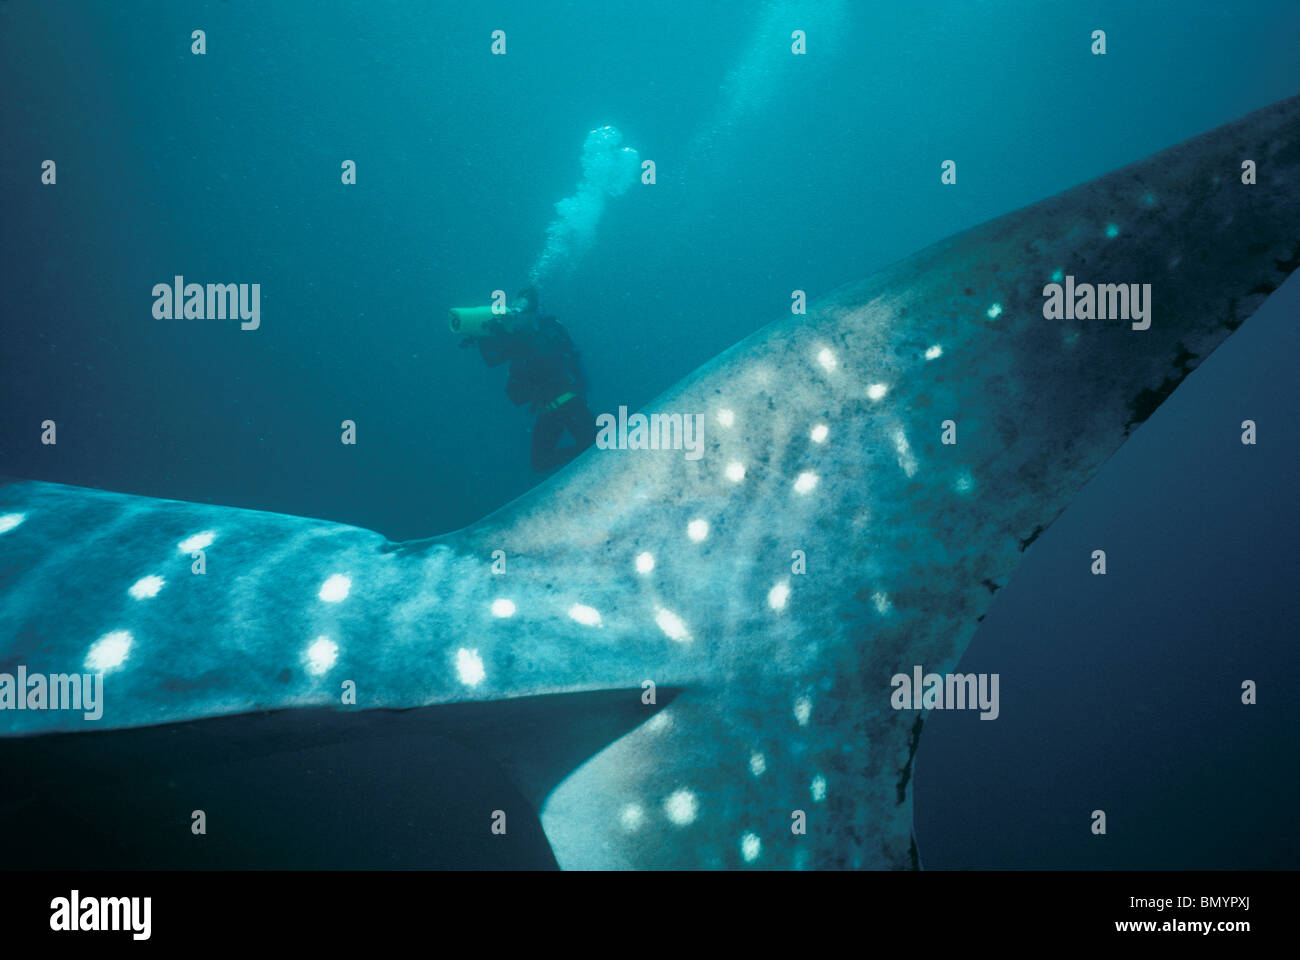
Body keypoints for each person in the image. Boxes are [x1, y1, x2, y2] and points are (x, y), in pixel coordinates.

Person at [462, 288, 597, 472]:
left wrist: (502, 336)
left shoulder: (549, 331)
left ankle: (589, 458)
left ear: (533, 313)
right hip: (548, 409)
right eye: (513, 311)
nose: (514, 317)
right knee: (540, 462)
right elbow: (494, 360)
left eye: (519, 312)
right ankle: (581, 460)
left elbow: (542, 355)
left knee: (596, 448)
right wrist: (482, 338)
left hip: (571, 403)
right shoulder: (518, 338)